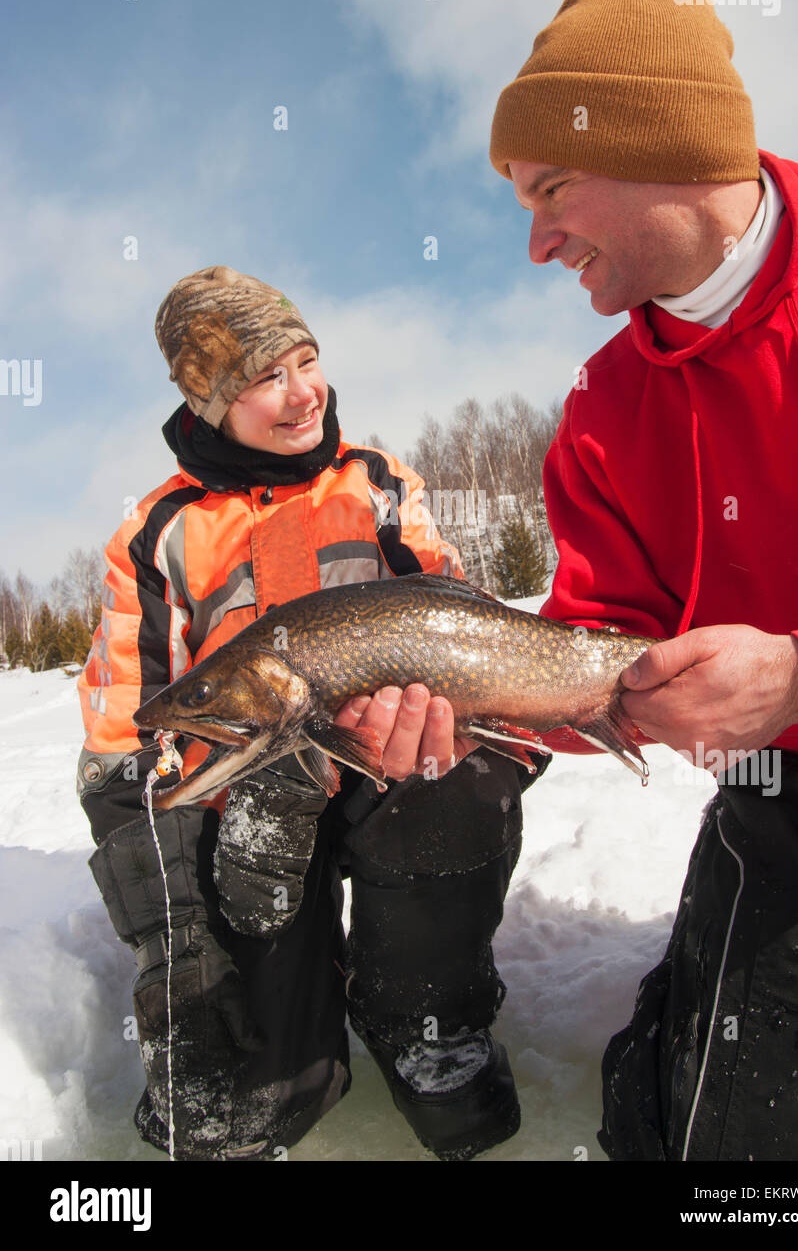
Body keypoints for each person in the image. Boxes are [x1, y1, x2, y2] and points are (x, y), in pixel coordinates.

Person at [484, 0, 798, 1161]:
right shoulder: (602, 411)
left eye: (551, 189)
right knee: (699, 1121)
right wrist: (474, 706)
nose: (536, 241)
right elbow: (597, 637)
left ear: (670, 149)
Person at [77, 265, 529, 1162]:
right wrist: (175, 932)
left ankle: (422, 1016)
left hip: (386, 780)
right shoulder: (155, 535)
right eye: (261, 379)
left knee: (460, 779)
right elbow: (126, 743)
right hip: (247, 819)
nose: (301, 394)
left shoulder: (379, 485)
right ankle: (279, 1017)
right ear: (209, 403)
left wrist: (474, 728)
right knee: (249, 1079)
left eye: (306, 360)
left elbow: (467, 626)